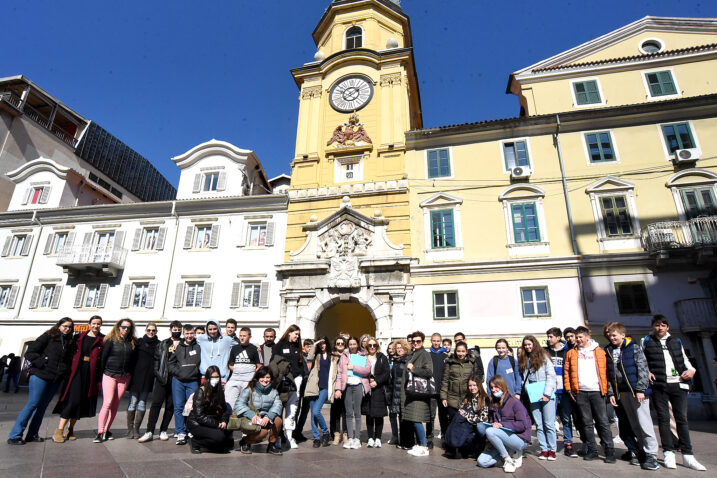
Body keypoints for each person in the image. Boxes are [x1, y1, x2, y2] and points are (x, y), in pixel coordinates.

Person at [642, 315, 706, 471]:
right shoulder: (647, 341)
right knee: (663, 419)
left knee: (681, 419)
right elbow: (643, 361)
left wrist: (691, 370)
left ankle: (688, 455)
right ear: (653, 326)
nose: (660, 328)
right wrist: (647, 371)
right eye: (657, 325)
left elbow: (684, 359)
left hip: (678, 384)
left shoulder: (676, 341)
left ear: (667, 327)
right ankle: (668, 453)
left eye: (663, 325)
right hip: (659, 385)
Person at [7, 318, 74, 445]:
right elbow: (30, 353)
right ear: (59, 326)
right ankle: (15, 435)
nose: (67, 329)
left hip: (55, 378)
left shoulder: (69, 342)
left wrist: (64, 372)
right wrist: (43, 362)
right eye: (65, 326)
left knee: (42, 407)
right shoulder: (48, 336)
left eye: (70, 327)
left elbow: (68, 360)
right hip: (40, 375)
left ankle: (32, 434)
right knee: (33, 404)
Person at [604, 322, 660, 471]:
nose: (611, 337)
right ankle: (641, 451)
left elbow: (642, 369)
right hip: (622, 393)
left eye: (614, 335)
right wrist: (611, 393)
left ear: (623, 335)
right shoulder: (609, 350)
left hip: (636, 392)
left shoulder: (633, 348)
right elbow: (609, 375)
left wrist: (641, 389)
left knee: (644, 423)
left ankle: (652, 455)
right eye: (609, 335)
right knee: (633, 423)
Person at [563, 326, 615, 463]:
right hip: (580, 392)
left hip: (597, 391)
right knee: (586, 423)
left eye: (580, 337)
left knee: (603, 422)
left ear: (587, 337)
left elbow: (606, 372)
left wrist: (608, 391)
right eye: (576, 337)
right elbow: (566, 373)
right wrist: (569, 389)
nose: (578, 340)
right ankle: (593, 450)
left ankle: (609, 450)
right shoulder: (571, 353)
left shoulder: (599, 352)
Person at [51, 316, 104, 443]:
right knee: (72, 400)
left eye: (98, 324)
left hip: (90, 373)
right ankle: (59, 430)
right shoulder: (78, 337)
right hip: (76, 371)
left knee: (81, 401)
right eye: (94, 323)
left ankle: (71, 429)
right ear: (89, 323)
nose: (96, 326)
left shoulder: (103, 339)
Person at [477, 375, 532, 473]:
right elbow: (491, 422)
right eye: (491, 387)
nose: (493, 390)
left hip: (519, 438)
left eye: (496, 387)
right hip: (500, 437)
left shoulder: (515, 402)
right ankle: (506, 453)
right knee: (482, 461)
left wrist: (502, 424)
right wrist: (489, 441)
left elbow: (522, 425)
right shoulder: (493, 403)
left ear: (502, 386)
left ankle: (508, 459)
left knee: (490, 431)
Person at [139, 320, 182, 443]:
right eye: (174, 329)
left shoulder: (184, 343)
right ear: (170, 330)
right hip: (162, 378)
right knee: (156, 405)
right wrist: (158, 373)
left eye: (179, 330)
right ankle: (149, 431)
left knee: (170, 406)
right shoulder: (163, 343)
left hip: (176, 380)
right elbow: (157, 359)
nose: (176, 331)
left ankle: (163, 430)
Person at [95, 318, 137, 443]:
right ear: (119, 327)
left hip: (124, 377)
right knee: (107, 402)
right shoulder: (111, 340)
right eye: (124, 327)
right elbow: (103, 358)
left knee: (115, 405)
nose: (125, 330)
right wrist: (99, 377)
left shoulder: (133, 342)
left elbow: (134, 361)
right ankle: (100, 432)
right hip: (109, 374)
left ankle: (107, 430)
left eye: (128, 328)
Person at [518, 335, 557, 461]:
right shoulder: (524, 359)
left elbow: (551, 375)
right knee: (539, 424)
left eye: (530, 344)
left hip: (546, 393)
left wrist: (546, 394)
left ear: (534, 344)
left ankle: (552, 449)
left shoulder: (544, 357)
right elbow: (525, 378)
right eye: (525, 345)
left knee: (549, 423)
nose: (528, 347)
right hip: (533, 393)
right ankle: (544, 449)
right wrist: (528, 391)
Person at [272, 324, 306, 449]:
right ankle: (277, 436)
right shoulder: (279, 346)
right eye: (295, 334)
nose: (297, 336)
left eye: (298, 334)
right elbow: (273, 362)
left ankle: (290, 436)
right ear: (289, 333)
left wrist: (300, 375)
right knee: (279, 408)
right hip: (282, 380)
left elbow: (300, 363)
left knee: (293, 408)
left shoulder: (298, 347)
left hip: (296, 380)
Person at [440, 341, 478, 457]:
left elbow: (476, 380)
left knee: (467, 424)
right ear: (455, 351)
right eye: (458, 351)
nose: (460, 353)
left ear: (466, 352)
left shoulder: (472, 362)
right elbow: (445, 380)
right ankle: (451, 448)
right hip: (452, 398)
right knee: (452, 423)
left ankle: (465, 449)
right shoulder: (450, 362)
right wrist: (443, 397)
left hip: (467, 398)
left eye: (463, 351)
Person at [236, 366, 284, 455]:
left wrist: (268, 417)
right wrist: (251, 415)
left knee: (278, 420)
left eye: (268, 377)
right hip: (251, 417)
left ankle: (272, 445)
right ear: (258, 378)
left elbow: (278, 405)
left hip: (265, 417)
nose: (265, 380)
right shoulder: (250, 389)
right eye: (262, 377)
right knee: (263, 433)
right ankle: (245, 442)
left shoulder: (274, 391)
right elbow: (239, 404)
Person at [545, 327, 577, 457]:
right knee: (550, 419)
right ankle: (550, 445)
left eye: (551, 336)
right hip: (551, 390)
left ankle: (568, 444)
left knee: (566, 418)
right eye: (548, 337)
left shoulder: (568, 351)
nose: (548, 339)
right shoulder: (546, 352)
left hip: (564, 390)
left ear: (558, 338)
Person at [186, 365, 233, 454]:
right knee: (219, 438)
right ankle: (196, 442)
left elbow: (224, 409)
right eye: (212, 377)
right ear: (208, 378)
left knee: (228, 442)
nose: (215, 379)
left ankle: (214, 443)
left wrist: (223, 421)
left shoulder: (220, 391)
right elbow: (199, 416)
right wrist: (217, 424)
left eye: (217, 377)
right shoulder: (201, 391)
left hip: (212, 420)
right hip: (197, 423)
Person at [168, 324, 201, 446]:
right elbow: (170, 363)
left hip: (192, 381)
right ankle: (180, 432)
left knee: (191, 407)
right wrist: (179, 372)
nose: (189, 336)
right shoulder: (178, 347)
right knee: (178, 407)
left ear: (194, 333)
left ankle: (190, 430)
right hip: (178, 381)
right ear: (183, 334)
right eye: (187, 333)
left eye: (191, 333)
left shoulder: (198, 346)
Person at [335, 336, 371, 449]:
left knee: (358, 413)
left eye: (354, 344)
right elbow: (339, 373)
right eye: (350, 344)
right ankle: (350, 438)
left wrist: (353, 367)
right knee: (348, 413)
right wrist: (338, 389)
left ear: (357, 344)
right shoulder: (344, 356)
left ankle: (357, 438)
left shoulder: (363, 355)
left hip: (358, 385)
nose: (352, 346)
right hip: (347, 386)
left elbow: (367, 371)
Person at [402, 331, 433, 457]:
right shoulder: (412, 354)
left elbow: (429, 372)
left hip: (419, 391)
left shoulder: (425, 354)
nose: (415, 343)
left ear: (423, 341)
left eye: (418, 341)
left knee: (417, 420)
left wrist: (414, 369)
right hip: (412, 392)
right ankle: (420, 444)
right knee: (414, 419)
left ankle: (424, 446)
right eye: (413, 341)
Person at [126, 323, 159, 439]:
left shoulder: (158, 344)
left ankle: (136, 429)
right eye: (149, 330)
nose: (151, 332)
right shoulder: (138, 342)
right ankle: (129, 430)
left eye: (153, 330)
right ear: (145, 330)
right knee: (133, 402)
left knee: (142, 403)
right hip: (136, 377)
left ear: (156, 332)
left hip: (148, 378)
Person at [444, 375, 488, 458]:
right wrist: (465, 415)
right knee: (457, 417)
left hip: (480, 425)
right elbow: (461, 411)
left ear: (479, 386)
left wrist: (467, 415)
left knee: (475, 424)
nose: (472, 388)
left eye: (474, 385)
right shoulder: (467, 397)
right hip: (468, 424)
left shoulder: (485, 399)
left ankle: (453, 445)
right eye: (470, 385)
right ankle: (454, 445)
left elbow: (483, 419)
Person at [303, 337, 334, 447]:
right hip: (314, 386)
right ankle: (316, 438)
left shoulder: (332, 356)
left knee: (316, 411)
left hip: (325, 387)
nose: (322, 346)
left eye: (324, 343)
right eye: (320, 344)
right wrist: (315, 343)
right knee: (313, 415)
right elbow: (309, 357)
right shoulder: (316, 355)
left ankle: (325, 432)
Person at [362, 337, 390, 448]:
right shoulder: (363, 357)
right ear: (367, 346)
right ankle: (370, 438)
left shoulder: (382, 357)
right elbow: (360, 371)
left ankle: (378, 438)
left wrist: (377, 381)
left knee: (379, 415)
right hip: (367, 388)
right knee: (369, 414)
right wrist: (367, 380)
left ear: (377, 346)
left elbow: (386, 373)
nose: (372, 347)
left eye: (374, 345)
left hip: (379, 389)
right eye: (370, 345)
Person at [226, 327, 261, 413]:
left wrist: (252, 375)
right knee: (229, 402)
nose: (242, 338)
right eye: (240, 335)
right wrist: (238, 371)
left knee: (246, 403)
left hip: (248, 380)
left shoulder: (254, 349)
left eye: (244, 336)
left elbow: (259, 366)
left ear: (250, 337)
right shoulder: (234, 348)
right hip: (235, 379)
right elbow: (230, 364)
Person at [427, 333, 448, 449]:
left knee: (443, 416)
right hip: (431, 391)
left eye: (438, 341)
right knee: (430, 415)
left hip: (443, 391)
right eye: (434, 341)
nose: (436, 343)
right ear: (431, 341)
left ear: (441, 341)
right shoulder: (428, 355)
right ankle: (429, 438)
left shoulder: (445, 356)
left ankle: (444, 437)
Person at [390, 339, 410, 448]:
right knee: (400, 418)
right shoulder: (397, 360)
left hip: (404, 392)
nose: (399, 350)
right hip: (396, 392)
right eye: (397, 348)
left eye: (401, 347)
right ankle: (403, 442)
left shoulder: (407, 360)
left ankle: (407, 442)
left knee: (405, 418)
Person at [293, 338, 315, 443]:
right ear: (304, 347)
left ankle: (299, 430)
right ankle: (292, 430)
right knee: (296, 408)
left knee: (305, 409)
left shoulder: (314, 358)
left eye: (311, 346)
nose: (309, 349)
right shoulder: (300, 357)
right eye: (308, 346)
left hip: (309, 386)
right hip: (301, 385)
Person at [329, 336, 348, 445]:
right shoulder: (331, 356)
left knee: (346, 412)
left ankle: (345, 434)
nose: (340, 345)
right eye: (338, 343)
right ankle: (336, 434)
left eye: (342, 343)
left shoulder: (348, 356)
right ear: (335, 345)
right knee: (335, 412)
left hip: (346, 386)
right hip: (334, 386)